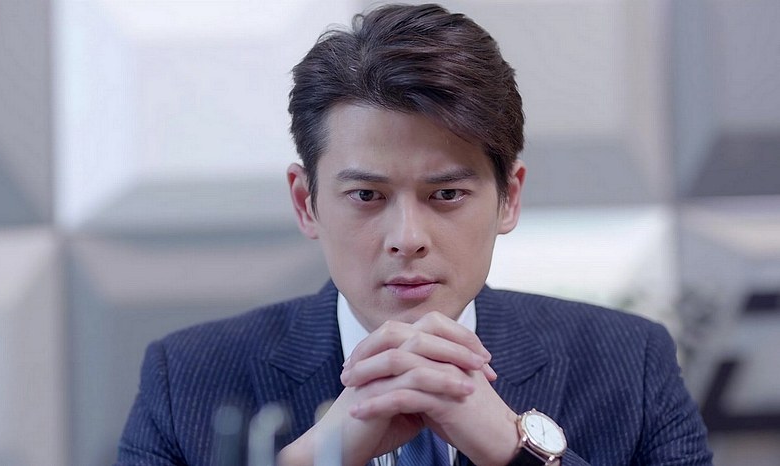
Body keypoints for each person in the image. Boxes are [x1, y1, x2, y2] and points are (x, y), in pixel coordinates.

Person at [116, 4, 713, 465]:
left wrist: (515, 451)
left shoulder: (628, 362)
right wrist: (313, 459)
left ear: (509, 197)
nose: (407, 238)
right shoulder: (187, 376)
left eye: (446, 195)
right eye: (366, 196)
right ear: (306, 202)